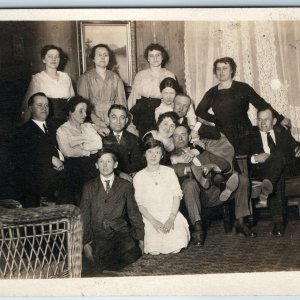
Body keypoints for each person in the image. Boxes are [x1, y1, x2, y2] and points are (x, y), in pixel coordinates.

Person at [195, 56, 291, 155]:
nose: (221, 72)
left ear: (232, 70)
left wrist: (280, 118)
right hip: (223, 133)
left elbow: (261, 104)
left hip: (243, 131)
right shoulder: (212, 92)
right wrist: (215, 119)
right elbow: (199, 111)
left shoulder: (243, 88)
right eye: (218, 69)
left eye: (225, 68)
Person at [170, 125, 239, 246]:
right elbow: (169, 171)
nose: (180, 138)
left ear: (190, 136)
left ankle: (217, 183)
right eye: (176, 136)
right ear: (172, 139)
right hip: (189, 197)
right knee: (189, 184)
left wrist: (211, 165)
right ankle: (198, 230)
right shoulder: (170, 157)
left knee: (223, 176)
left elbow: (225, 164)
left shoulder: (202, 152)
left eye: (183, 135)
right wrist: (190, 169)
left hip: (210, 194)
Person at [80, 148, 144, 272]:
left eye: (108, 161)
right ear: (96, 165)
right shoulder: (89, 187)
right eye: (101, 162)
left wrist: (141, 239)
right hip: (98, 235)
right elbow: (84, 216)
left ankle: (110, 265)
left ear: (115, 164)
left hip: (120, 233)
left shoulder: (125, 186)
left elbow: (134, 213)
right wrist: (85, 243)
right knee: (94, 261)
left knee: (132, 253)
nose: (105, 165)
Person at [246, 108, 300, 236]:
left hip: (285, 167)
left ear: (274, 121)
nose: (262, 123)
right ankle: (278, 224)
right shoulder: (251, 135)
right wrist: (255, 158)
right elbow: (242, 156)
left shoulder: (282, 132)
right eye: (259, 119)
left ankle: (268, 183)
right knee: (278, 175)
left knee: (278, 156)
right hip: (262, 170)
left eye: (266, 119)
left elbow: (294, 144)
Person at [133, 138, 190, 255]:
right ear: (144, 154)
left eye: (157, 152)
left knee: (177, 246)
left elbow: (176, 196)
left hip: (170, 213)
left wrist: (171, 219)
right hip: (151, 217)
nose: (153, 156)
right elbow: (141, 205)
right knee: (154, 250)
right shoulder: (139, 176)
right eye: (150, 152)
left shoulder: (169, 172)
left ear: (162, 155)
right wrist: (154, 222)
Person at [13, 92, 65, 207]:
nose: (44, 108)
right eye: (40, 105)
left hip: (61, 170)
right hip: (39, 177)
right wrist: (50, 158)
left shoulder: (54, 126)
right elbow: (25, 157)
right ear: (31, 108)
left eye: (46, 105)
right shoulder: (24, 130)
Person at [56, 96, 103, 205]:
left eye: (85, 111)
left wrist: (78, 145)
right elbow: (67, 152)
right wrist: (88, 148)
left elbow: (98, 144)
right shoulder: (62, 130)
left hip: (92, 162)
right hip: (74, 166)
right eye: (80, 111)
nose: (85, 115)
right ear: (71, 112)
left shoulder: (87, 126)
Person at [77, 44, 126, 135]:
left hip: (114, 119)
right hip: (92, 119)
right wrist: (98, 123)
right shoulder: (85, 78)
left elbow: (121, 103)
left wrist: (117, 120)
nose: (103, 57)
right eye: (99, 55)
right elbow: (83, 107)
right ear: (93, 58)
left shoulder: (115, 77)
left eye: (105, 55)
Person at [128, 43, 176, 137]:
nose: (155, 59)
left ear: (162, 57)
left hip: (162, 108)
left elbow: (174, 97)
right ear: (148, 58)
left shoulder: (169, 75)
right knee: (143, 138)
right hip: (142, 109)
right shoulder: (140, 75)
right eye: (151, 56)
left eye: (158, 55)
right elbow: (133, 96)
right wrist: (129, 116)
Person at [21, 44, 75, 125]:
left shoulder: (66, 77)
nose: (54, 59)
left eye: (57, 56)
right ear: (43, 59)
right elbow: (27, 105)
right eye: (50, 56)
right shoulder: (38, 79)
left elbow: (73, 101)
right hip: (45, 121)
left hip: (65, 121)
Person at [101, 104, 145, 182]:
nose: (118, 122)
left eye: (122, 118)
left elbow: (138, 162)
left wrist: (135, 173)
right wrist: (119, 174)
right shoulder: (101, 138)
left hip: (129, 179)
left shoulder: (133, 138)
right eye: (114, 117)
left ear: (126, 120)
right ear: (108, 119)